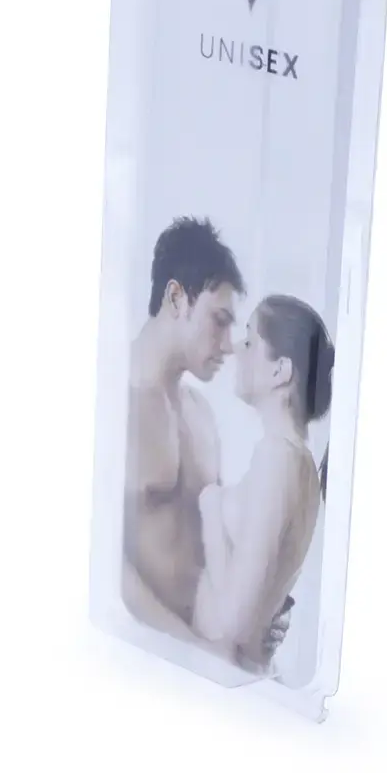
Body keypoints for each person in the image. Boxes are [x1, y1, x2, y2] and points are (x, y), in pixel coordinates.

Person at [123, 217, 291, 664]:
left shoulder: (200, 415)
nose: (231, 345)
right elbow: (106, 566)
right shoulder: (110, 405)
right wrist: (194, 648)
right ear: (176, 297)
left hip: (202, 659)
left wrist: (259, 613)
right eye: (219, 321)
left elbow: (215, 546)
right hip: (141, 659)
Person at [193, 294, 333, 670]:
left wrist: (211, 511)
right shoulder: (298, 464)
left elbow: (233, 624)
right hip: (232, 674)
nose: (236, 348)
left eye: (250, 340)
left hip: (219, 675)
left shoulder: (278, 460)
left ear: (280, 370)